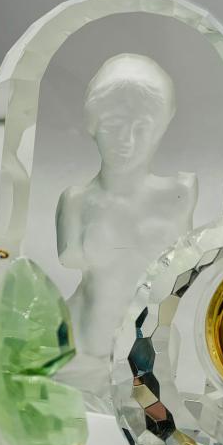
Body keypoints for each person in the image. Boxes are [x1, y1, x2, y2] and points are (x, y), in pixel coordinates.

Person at [56, 54, 197, 392]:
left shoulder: (179, 195)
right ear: (93, 125)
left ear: (160, 129)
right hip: (81, 349)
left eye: (142, 127)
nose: (126, 141)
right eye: (113, 125)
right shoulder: (75, 202)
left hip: (149, 352)